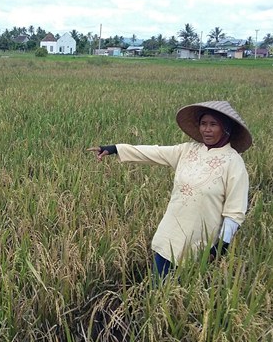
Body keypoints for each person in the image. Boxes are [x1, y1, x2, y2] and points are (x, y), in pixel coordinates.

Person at [88, 101, 252, 278]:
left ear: (226, 128)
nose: (207, 129)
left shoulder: (234, 163)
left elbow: (234, 212)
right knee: (158, 288)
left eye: (213, 125)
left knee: (184, 293)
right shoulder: (188, 150)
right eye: (203, 124)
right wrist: (114, 149)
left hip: (200, 243)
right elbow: (153, 153)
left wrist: (221, 246)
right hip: (170, 234)